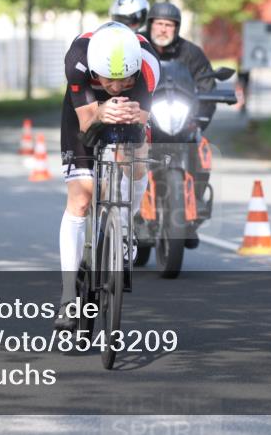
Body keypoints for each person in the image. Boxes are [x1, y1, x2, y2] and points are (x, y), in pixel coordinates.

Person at [54, 21, 160, 331]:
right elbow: (86, 123)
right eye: (109, 81)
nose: (115, 87)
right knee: (82, 197)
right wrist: (101, 111)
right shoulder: (77, 61)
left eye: (124, 81)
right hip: (85, 116)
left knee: (138, 158)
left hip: (130, 114)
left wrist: (132, 114)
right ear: (94, 71)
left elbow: (143, 118)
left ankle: (126, 229)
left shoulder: (149, 64)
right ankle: (68, 295)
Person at [142, 2, 217, 127]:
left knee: (196, 143)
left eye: (169, 25)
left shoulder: (192, 53)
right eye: (159, 23)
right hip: (142, 118)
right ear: (150, 25)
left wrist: (196, 123)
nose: (163, 29)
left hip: (182, 121)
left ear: (176, 28)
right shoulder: (138, 46)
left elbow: (207, 87)